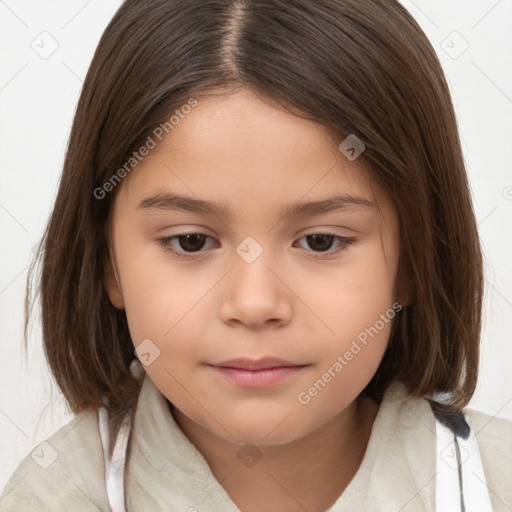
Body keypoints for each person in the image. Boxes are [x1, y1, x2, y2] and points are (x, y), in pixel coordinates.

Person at [1, 0, 511, 511]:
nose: (253, 303)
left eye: (321, 241)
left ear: (415, 258)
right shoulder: (50, 496)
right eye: (191, 241)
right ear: (107, 261)